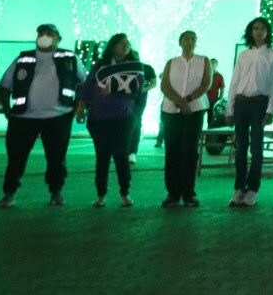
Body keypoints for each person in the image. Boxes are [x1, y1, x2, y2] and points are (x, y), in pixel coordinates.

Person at [0, 23, 87, 208]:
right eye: (41, 33)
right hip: (23, 119)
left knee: (56, 158)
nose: (44, 36)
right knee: (16, 157)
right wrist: (8, 111)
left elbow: (84, 84)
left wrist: (79, 106)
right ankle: (9, 193)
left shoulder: (70, 58)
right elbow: (5, 86)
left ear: (58, 38)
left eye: (49, 33)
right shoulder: (23, 59)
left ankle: (56, 192)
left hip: (59, 117)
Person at [76, 33, 151, 208]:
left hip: (123, 118)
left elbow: (138, 87)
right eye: (122, 43)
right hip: (99, 118)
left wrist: (115, 86)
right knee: (102, 157)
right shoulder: (100, 66)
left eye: (128, 43)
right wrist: (81, 107)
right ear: (113, 45)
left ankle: (125, 192)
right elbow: (88, 86)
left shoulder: (135, 66)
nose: (126, 46)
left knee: (120, 154)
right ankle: (101, 194)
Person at [227, 17, 273, 208]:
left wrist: (271, 109)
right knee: (240, 148)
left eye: (262, 29)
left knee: (257, 149)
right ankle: (238, 188)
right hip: (242, 103)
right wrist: (230, 108)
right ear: (250, 31)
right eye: (255, 28)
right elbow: (235, 82)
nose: (258, 32)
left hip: (260, 104)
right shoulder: (244, 55)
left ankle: (252, 190)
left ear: (268, 32)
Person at [159, 30, 210, 208]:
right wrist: (180, 102)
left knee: (189, 152)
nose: (190, 42)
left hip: (194, 111)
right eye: (186, 39)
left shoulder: (203, 61)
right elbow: (164, 85)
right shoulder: (171, 62)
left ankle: (188, 194)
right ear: (180, 42)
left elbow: (206, 84)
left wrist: (187, 101)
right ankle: (172, 194)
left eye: (193, 39)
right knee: (172, 151)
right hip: (171, 111)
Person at [206, 58, 225, 125]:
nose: (212, 64)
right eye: (211, 63)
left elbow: (222, 88)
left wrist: (220, 98)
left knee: (210, 118)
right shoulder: (205, 74)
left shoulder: (219, 76)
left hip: (213, 100)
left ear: (216, 65)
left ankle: (209, 133)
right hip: (204, 100)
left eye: (214, 63)